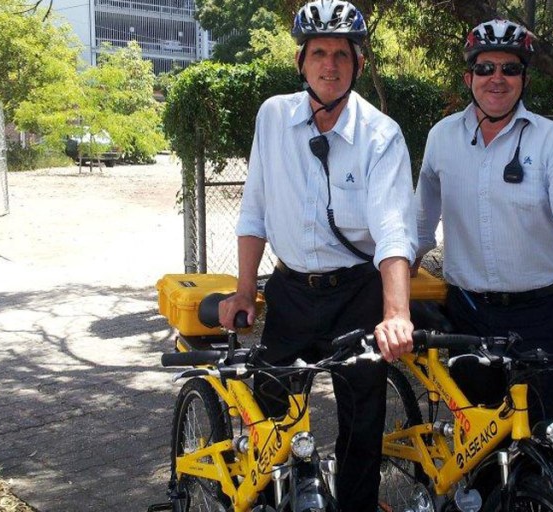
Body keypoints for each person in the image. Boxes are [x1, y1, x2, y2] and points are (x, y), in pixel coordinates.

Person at [413, 18, 553, 505]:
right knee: (477, 447)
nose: (497, 77)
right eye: (485, 67)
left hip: (539, 315)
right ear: (468, 76)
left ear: (524, 78)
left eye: (511, 68)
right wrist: (387, 289)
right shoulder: (441, 139)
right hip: (468, 314)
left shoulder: (551, 142)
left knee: (551, 442)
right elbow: (417, 225)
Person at [218, 1, 415, 509]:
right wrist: (244, 291)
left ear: (359, 65)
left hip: (356, 293)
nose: (330, 65)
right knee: (269, 415)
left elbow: (393, 231)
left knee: (362, 419)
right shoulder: (273, 116)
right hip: (290, 291)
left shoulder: (381, 135)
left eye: (342, 56)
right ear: (301, 62)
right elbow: (254, 210)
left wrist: (395, 315)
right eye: (319, 53)